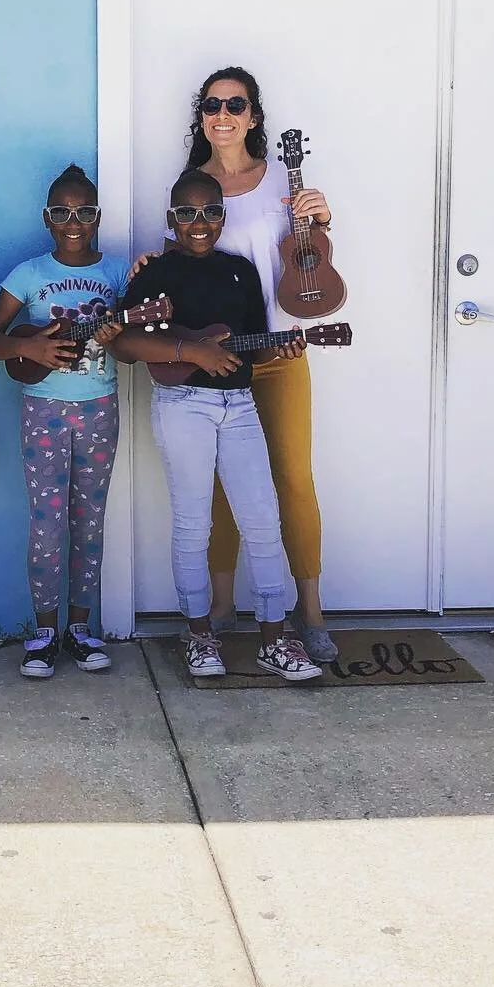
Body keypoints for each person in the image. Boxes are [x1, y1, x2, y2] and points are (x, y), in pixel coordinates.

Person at [115, 169, 321, 682]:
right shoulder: (155, 274)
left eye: (209, 212)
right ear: (171, 219)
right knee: (193, 522)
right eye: (186, 213)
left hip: (240, 406)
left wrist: (284, 345)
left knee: (263, 520)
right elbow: (122, 344)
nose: (199, 223)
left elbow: (255, 338)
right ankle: (199, 633)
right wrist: (191, 352)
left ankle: (275, 638)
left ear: (222, 217)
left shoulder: (239, 271)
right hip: (182, 403)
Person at [184, 67, 339, 664]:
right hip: (224, 355)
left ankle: (312, 611)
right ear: (202, 117)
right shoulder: (192, 186)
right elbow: (184, 260)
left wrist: (321, 220)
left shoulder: (283, 181)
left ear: (253, 116)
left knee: (294, 480)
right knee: (224, 483)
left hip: (282, 353)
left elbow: (310, 263)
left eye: (235, 104)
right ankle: (222, 606)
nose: (222, 115)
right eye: (212, 105)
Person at [0, 165, 126, 679]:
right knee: (46, 520)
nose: (73, 221)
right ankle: (43, 631)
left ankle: (81, 628)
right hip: (43, 408)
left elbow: (132, 345)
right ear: (46, 218)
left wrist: (117, 336)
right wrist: (28, 345)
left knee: (89, 520)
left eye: (84, 211)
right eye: (61, 212)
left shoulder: (119, 274)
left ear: (98, 216)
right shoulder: (29, 274)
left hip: (100, 406)